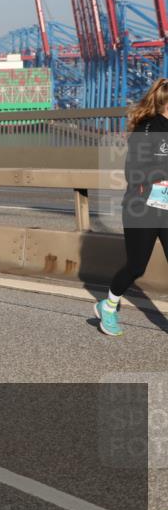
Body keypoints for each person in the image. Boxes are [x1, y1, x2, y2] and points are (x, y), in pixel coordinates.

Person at [95, 78, 168, 336]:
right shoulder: (148, 128)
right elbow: (133, 170)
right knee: (137, 266)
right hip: (143, 207)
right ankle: (109, 305)